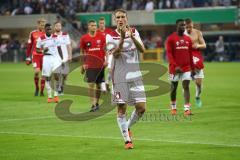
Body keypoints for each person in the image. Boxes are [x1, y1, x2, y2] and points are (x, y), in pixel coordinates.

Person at [106, 9, 146, 149]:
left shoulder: (134, 31)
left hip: (135, 75)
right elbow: (115, 55)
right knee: (121, 108)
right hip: (119, 77)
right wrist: (123, 38)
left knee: (141, 108)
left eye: (123, 17)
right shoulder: (110, 36)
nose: (120, 19)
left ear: (126, 18)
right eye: (118, 17)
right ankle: (127, 140)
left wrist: (131, 36)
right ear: (114, 19)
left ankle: (127, 127)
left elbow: (142, 50)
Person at [166, 19, 195, 116]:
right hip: (174, 69)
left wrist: (193, 69)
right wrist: (175, 66)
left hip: (186, 68)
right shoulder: (171, 38)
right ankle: (173, 107)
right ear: (176, 26)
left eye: (184, 25)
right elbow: (169, 55)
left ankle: (187, 109)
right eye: (181, 25)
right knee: (174, 88)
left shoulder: (188, 39)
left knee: (186, 86)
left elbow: (190, 54)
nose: (183, 27)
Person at [80, 20, 107, 112]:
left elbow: (106, 49)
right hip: (90, 65)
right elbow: (82, 51)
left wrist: (106, 60)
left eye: (95, 25)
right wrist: (82, 64)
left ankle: (97, 103)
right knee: (91, 85)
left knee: (98, 86)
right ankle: (93, 104)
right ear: (88, 26)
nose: (94, 27)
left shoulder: (102, 37)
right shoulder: (84, 38)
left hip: (100, 65)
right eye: (92, 25)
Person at [36, 23, 62, 103]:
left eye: (50, 29)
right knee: (47, 77)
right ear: (45, 30)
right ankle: (50, 96)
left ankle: (56, 95)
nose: (49, 30)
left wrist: (62, 59)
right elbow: (37, 49)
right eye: (48, 29)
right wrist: (43, 50)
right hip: (46, 58)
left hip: (55, 58)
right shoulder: (41, 38)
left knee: (56, 75)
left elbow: (59, 48)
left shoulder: (56, 37)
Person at [185, 18, 206, 107]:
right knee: (185, 83)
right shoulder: (181, 34)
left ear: (192, 25)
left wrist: (198, 45)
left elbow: (204, 45)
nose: (189, 29)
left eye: (191, 27)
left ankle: (197, 97)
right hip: (186, 58)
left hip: (196, 57)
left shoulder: (198, 33)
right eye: (187, 27)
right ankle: (187, 105)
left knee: (199, 84)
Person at [26, 18, 46, 96]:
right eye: (41, 25)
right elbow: (29, 45)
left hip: (44, 56)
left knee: (44, 74)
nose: (43, 26)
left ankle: (41, 91)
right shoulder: (33, 33)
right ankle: (37, 88)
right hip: (35, 56)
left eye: (44, 25)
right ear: (38, 24)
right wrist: (28, 57)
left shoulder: (47, 34)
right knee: (37, 72)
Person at [54, 21, 72, 95]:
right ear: (54, 27)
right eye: (57, 26)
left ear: (61, 27)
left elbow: (69, 46)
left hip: (65, 57)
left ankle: (62, 87)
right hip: (55, 58)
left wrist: (70, 55)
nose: (58, 27)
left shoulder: (65, 35)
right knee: (57, 74)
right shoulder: (52, 36)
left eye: (59, 26)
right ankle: (59, 88)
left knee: (64, 75)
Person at [97, 17, 112, 92]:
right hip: (100, 54)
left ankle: (106, 83)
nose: (102, 25)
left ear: (105, 23)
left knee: (110, 70)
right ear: (98, 24)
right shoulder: (96, 32)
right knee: (100, 71)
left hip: (109, 53)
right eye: (100, 23)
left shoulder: (109, 31)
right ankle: (103, 87)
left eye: (103, 23)